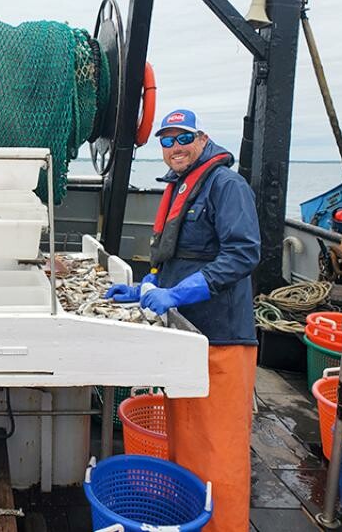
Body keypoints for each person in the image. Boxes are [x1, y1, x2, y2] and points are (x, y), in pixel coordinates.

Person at [106, 109, 260, 531]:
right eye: (166, 140)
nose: (174, 147)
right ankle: (190, 520)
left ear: (202, 138)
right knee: (186, 445)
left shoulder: (227, 185)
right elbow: (174, 255)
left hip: (221, 339)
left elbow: (243, 254)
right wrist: (145, 286)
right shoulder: (180, 187)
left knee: (219, 450)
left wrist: (178, 293)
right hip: (184, 339)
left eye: (182, 138)